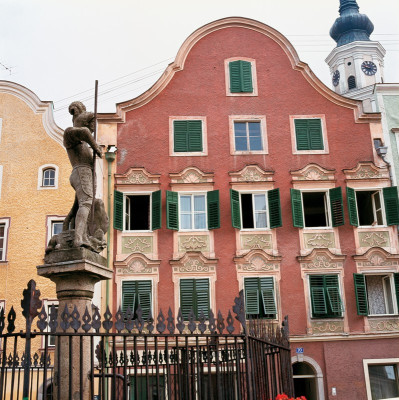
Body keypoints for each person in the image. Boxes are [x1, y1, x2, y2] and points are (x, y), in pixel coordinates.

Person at [63, 101, 103, 248]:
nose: (92, 130)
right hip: (81, 172)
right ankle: (79, 239)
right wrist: (96, 146)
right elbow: (85, 133)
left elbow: (86, 134)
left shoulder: (83, 144)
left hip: (87, 174)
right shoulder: (70, 133)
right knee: (86, 203)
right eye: (92, 125)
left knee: (79, 207)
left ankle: (72, 230)